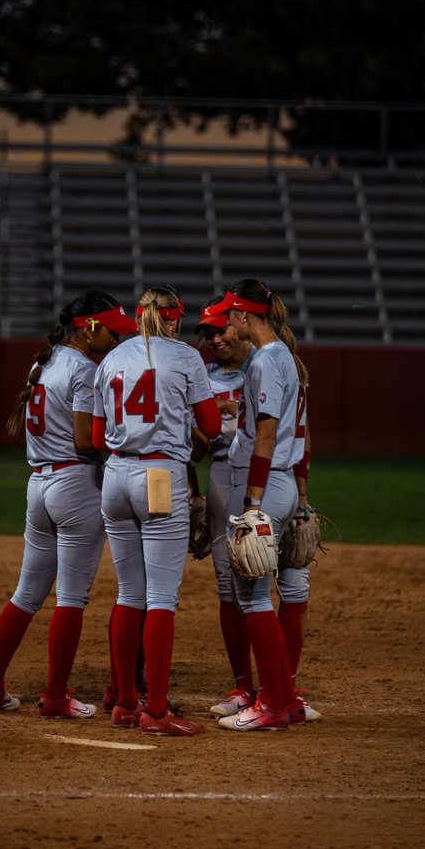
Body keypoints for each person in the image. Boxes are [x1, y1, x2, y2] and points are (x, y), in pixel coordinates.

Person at [0, 291, 137, 717]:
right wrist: (130, 445)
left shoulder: (42, 362)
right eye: (112, 332)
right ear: (89, 328)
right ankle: (56, 696)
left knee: (26, 594)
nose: (117, 342)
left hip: (39, 485)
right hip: (76, 485)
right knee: (70, 598)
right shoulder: (84, 369)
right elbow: (87, 440)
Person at [92, 284, 222, 736]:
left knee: (129, 593)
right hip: (160, 477)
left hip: (114, 476)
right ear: (175, 317)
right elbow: (211, 425)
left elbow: (95, 436)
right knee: (161, 598)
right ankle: (158, 712)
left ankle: (126, 702)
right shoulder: (185, 357)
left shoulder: (111, 358)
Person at [205, 278, 318, 732]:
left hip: (264, 483)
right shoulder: (283, 359)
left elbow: (266, 435)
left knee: (251, 596)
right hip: (280, 482)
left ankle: (273, 704)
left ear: (246, 316)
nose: (227, 324)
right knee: (256, 595)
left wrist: (251, 501)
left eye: (231, 315)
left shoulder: (267, 361)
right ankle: (283, 700)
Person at [190, 299, 257, 715]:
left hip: (260, 476)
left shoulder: (265, 366)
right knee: (226, 583)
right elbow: (195, 449)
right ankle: (242, 688)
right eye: (208, 334)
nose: (215, 340)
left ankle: (281, 687)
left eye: (221, 331)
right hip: (219, 473)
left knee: (262, 575)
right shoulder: (202, 378)